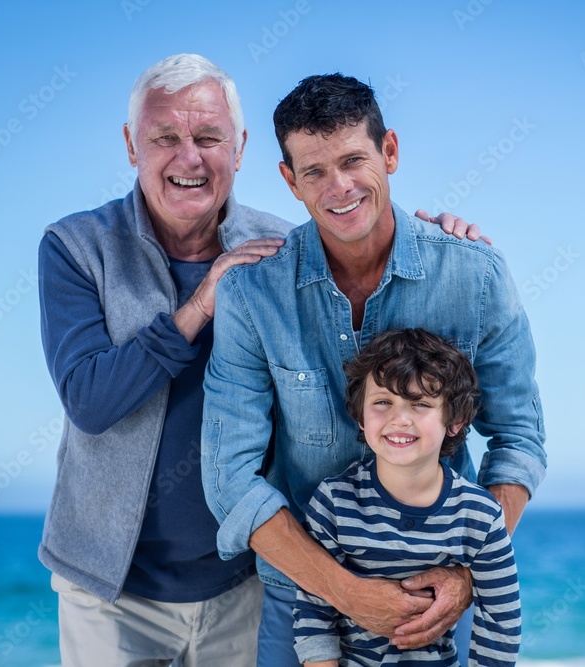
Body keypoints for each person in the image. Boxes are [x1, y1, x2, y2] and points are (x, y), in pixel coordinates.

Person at [37, 54, 479, 666]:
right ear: (130, 145)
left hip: (246, 577)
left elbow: (368, 292)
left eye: (208, 138)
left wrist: (438, 238)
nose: (188, 158)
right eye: (164, 137)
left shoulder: (282, 248)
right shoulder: (76, 248)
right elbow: (89, 400)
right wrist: (199, 308)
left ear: (239, 148)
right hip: (109, 588)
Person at [202, 73, 546, 667]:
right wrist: (347, 593)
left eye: (353, 160)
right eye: (313, 172)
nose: (338, 187)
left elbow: (519, 437)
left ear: (389, 152)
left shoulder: (476, 276)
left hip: (434, 604)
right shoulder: (253, 296)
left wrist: (466, 575)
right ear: (289, 181)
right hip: (301, 604)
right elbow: (228, 475)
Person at [293, 328, 521, 667]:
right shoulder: (334, 502)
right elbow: (314, 611)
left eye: (421, 404)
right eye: (383, 402)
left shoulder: (481, 514)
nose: (399, 419)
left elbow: (501, 620)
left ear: (455, 420)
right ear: (359, 415)